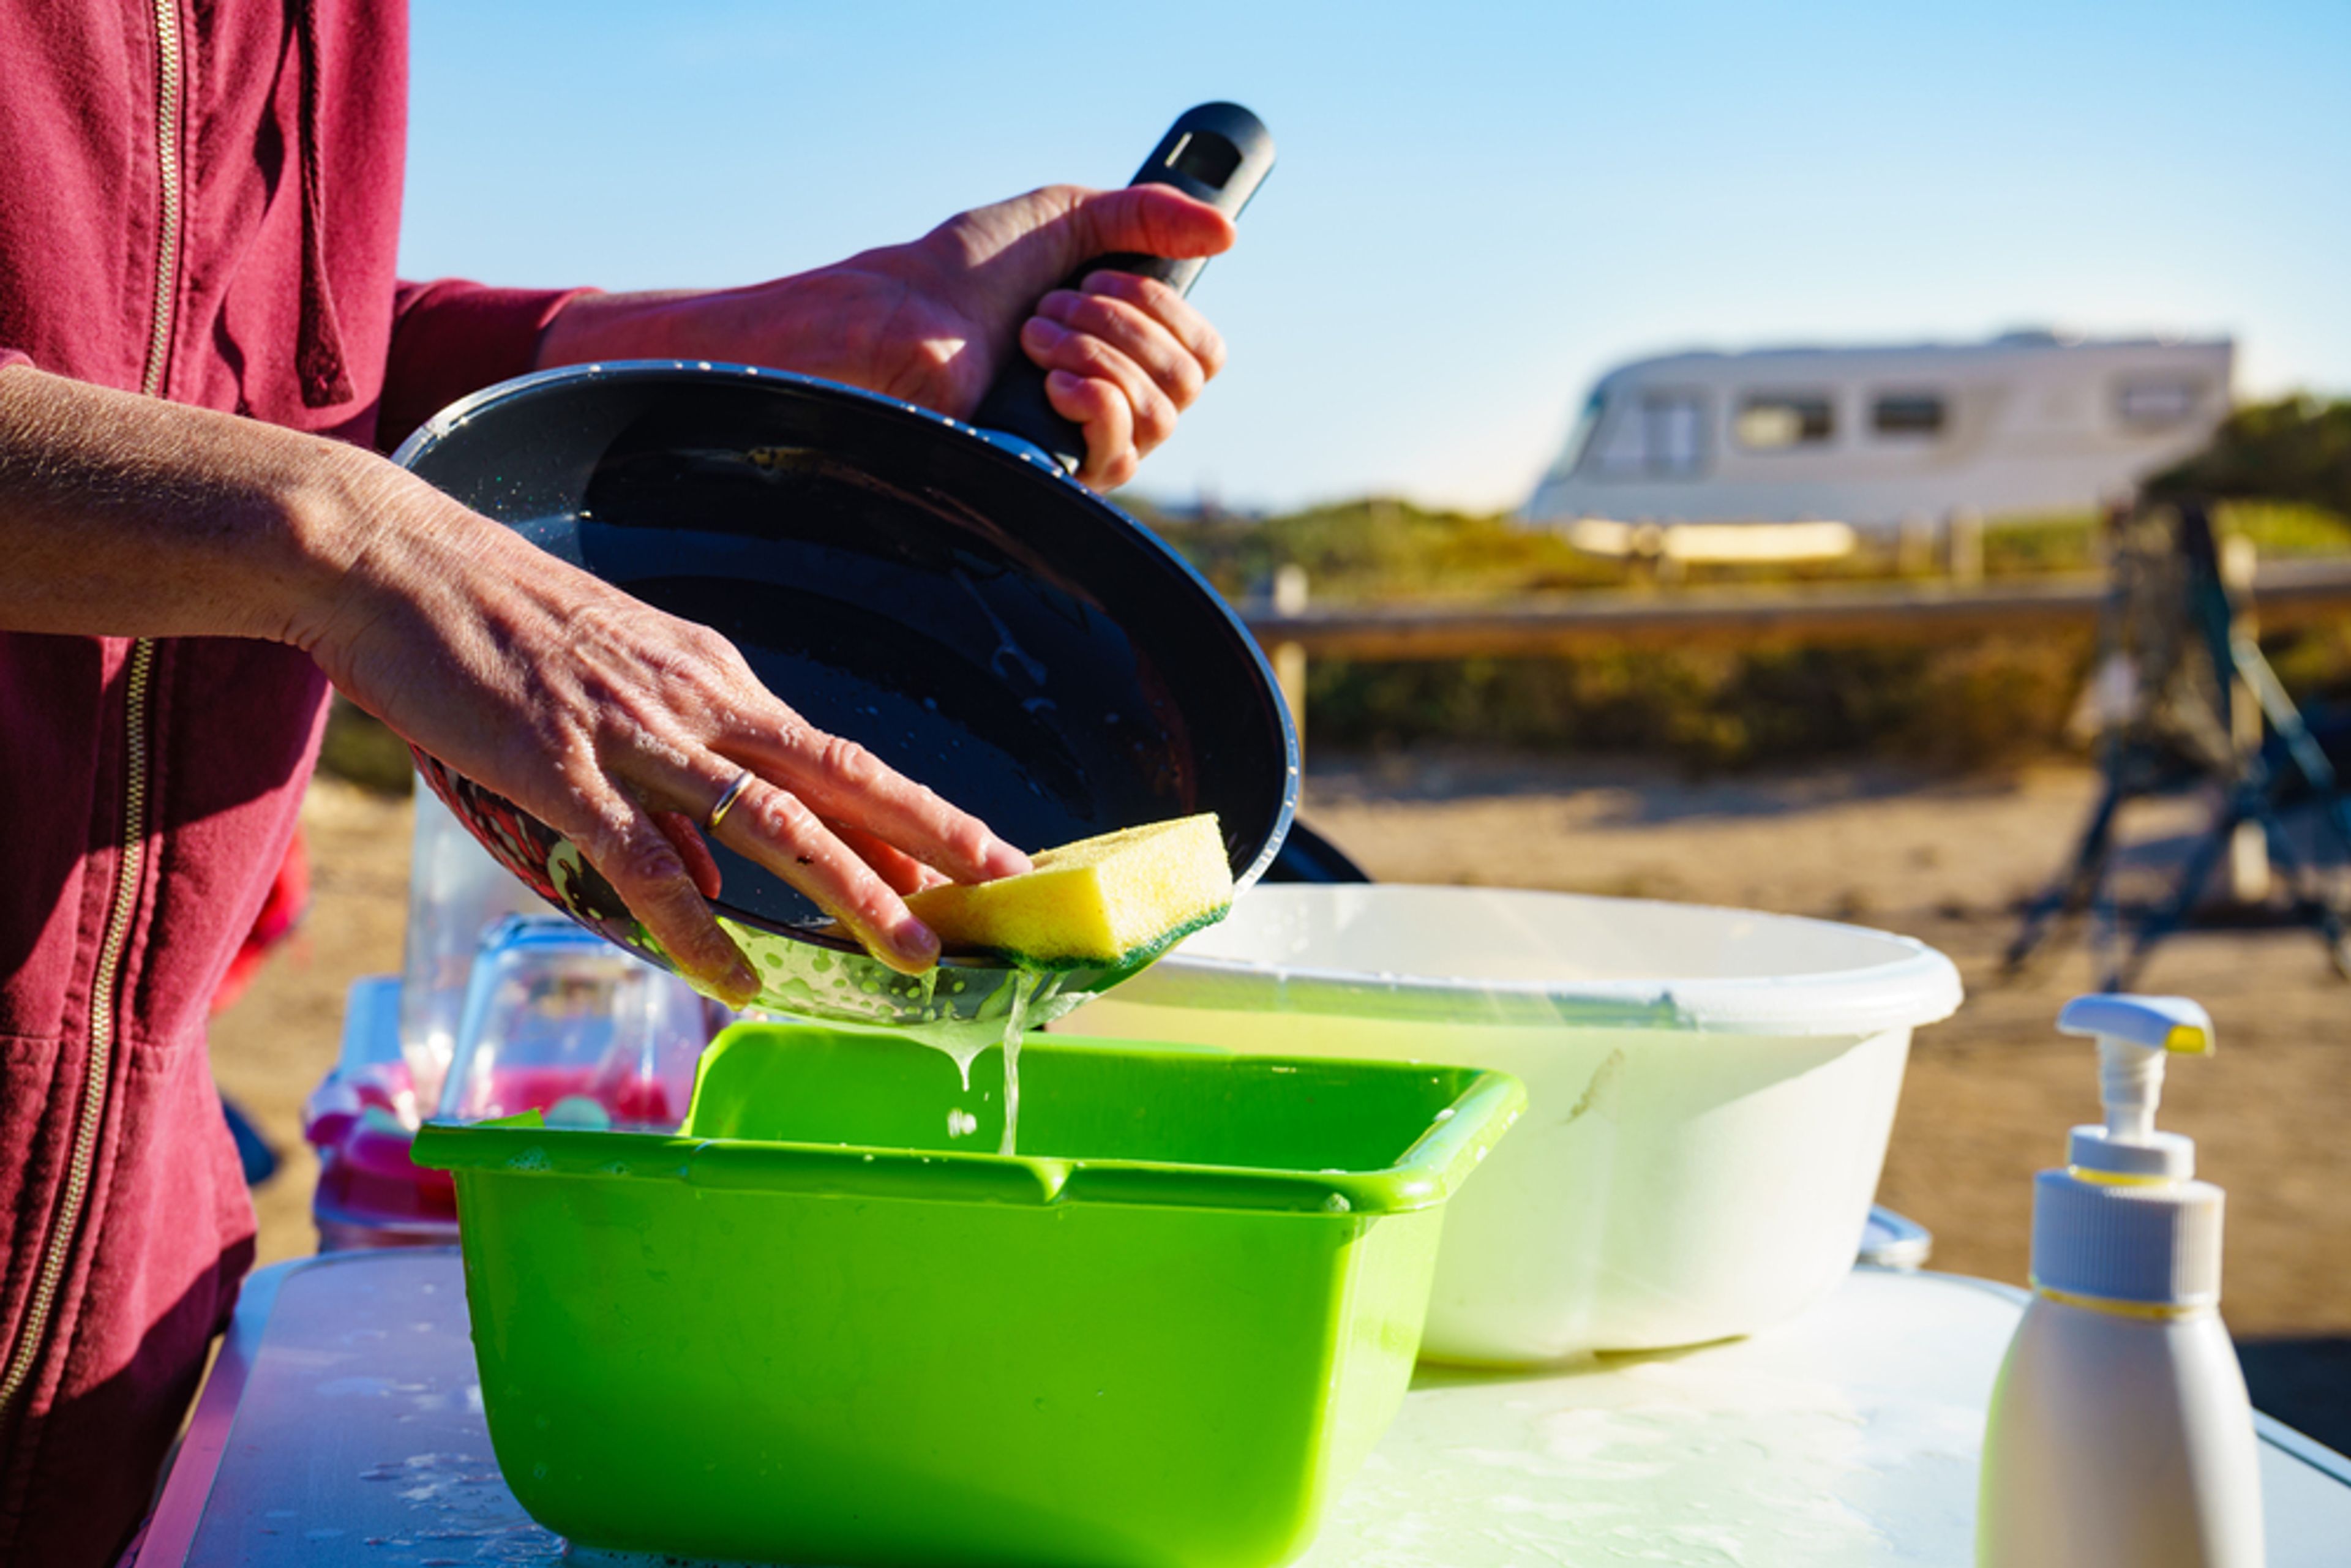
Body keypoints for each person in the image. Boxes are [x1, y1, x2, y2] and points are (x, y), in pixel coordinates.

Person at [0, 6, 1234, 1562]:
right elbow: (294, 474)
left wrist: (787, 335)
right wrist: (355, 541)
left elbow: (203, 356)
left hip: (120, 1250)